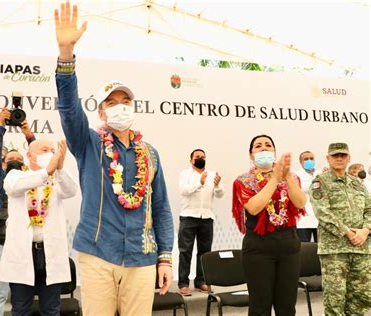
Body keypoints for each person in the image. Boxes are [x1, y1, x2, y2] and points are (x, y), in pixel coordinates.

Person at [54, 2, 174, 315]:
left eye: (126, 101)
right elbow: (68, 109)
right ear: (102, 112)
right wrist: (66, 55)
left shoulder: (151, 154)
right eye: (112, 102)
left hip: (143, 258)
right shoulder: (88, 143)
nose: (121, 106)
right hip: (97, 254)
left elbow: (160, 207)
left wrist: (165, 257)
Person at [0, 138, 77, 316]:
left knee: (51, 309)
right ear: (29, 155)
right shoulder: (15, 175)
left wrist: (61, 168)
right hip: (23, 253)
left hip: (49, 254)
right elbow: (13, 187)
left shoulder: (57, 179)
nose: (50, 153)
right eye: (44, 150)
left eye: (52, 150)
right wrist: (47, 171)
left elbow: (71, 191)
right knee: (21, 309)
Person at [232, 134, 306, 316]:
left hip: (288, 245)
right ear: (251, 155)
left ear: (274, 152)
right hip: (259, 247)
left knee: (286, 306)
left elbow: (300, 203)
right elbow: (254, 208)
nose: (264, 148)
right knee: (260, 306)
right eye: (258, 146)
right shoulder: (243, 181)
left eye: (268, 145)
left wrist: (286, 176)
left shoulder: (293, 177)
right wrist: (274, 179)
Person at [310, 143, 371, 316]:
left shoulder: (358, 184)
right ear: (328, 158)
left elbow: (369, 209)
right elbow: (323, 213)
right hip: (334, 250)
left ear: (349, 158)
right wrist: (348, 232)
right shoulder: (320, 182)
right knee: (335, 299)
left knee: (362, 297)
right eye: (335, 155)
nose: (339, 158)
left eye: (343, 155)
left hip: (361, 247)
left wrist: (365, 230)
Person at [0, 108, 35, 316]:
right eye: (10, 159)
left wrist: (29, 136)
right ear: (3, 164)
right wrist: (0, 126)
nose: (15, 161)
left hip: (25, 242)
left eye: (19, 159)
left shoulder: (31, 180)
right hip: (2, 242)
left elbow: (41, 159)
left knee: (23, 293)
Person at [177, 149, 224, 295]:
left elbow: (220, 194)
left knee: (204, 252)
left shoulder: (212, 174)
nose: (201, 158)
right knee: (185, 251)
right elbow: (183, 191)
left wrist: (217, 185)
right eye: (197, 156)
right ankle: (183, 283)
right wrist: (200, 182)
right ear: (191, 160)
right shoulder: (185, 174)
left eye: (203, 156)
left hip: (207, 218)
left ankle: (200, 281)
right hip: (188, 217)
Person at [295, 151, 320, 242]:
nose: (309, 161)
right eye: (306, 159)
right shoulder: (296, 175)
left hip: (319, 218)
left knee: (321, 249)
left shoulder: (320, 173)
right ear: (301, 162)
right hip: (303, 220)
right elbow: (299, 189)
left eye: (311, 158)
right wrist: (316, 181)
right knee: (303, 249)